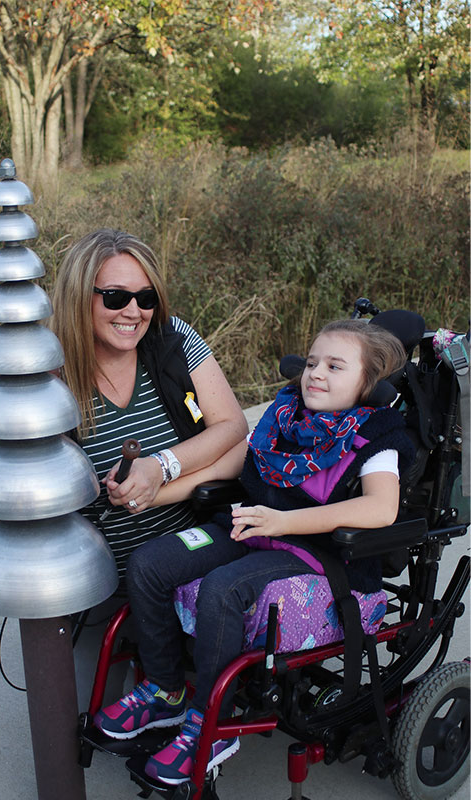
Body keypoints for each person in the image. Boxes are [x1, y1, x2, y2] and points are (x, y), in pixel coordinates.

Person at [93, 318, 416, 786]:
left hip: (315, 552)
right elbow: (235, 461)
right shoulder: (285, 416)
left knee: (224, 589)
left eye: (335, 366)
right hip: (251, 526)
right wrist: (150, 492)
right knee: (151, 563)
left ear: (366, 384)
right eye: (311, 362)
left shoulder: (376, 436)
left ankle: (212, 725)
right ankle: (166, 691)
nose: (315, 374)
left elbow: (381, 508)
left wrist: (284, 521)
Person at [50, 228, 248, 585]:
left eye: (146, 297)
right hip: (90, 580)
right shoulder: (47, 371)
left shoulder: (174, 339)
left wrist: (161, 469)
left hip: (192, 563)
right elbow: (10, 491)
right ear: (79, 297)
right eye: (114, 297)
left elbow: (233, 428)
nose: (134, 311)